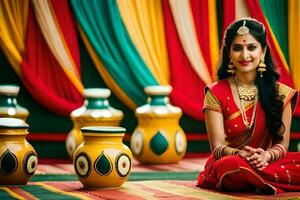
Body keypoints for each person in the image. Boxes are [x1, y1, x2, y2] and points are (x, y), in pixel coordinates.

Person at [197, 18, 300, 194]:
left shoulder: (282, 94)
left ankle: (258, 180)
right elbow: (217, 147)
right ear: (228, 53)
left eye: (251, 47)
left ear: (263, 51)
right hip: (231, 163)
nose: (245, 55)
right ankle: (266, 181)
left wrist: (265, 156)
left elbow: (282, 145)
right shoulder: (216, 93)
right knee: (232, 166)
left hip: (267, 162)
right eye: (237, 48)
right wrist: (241, 155)